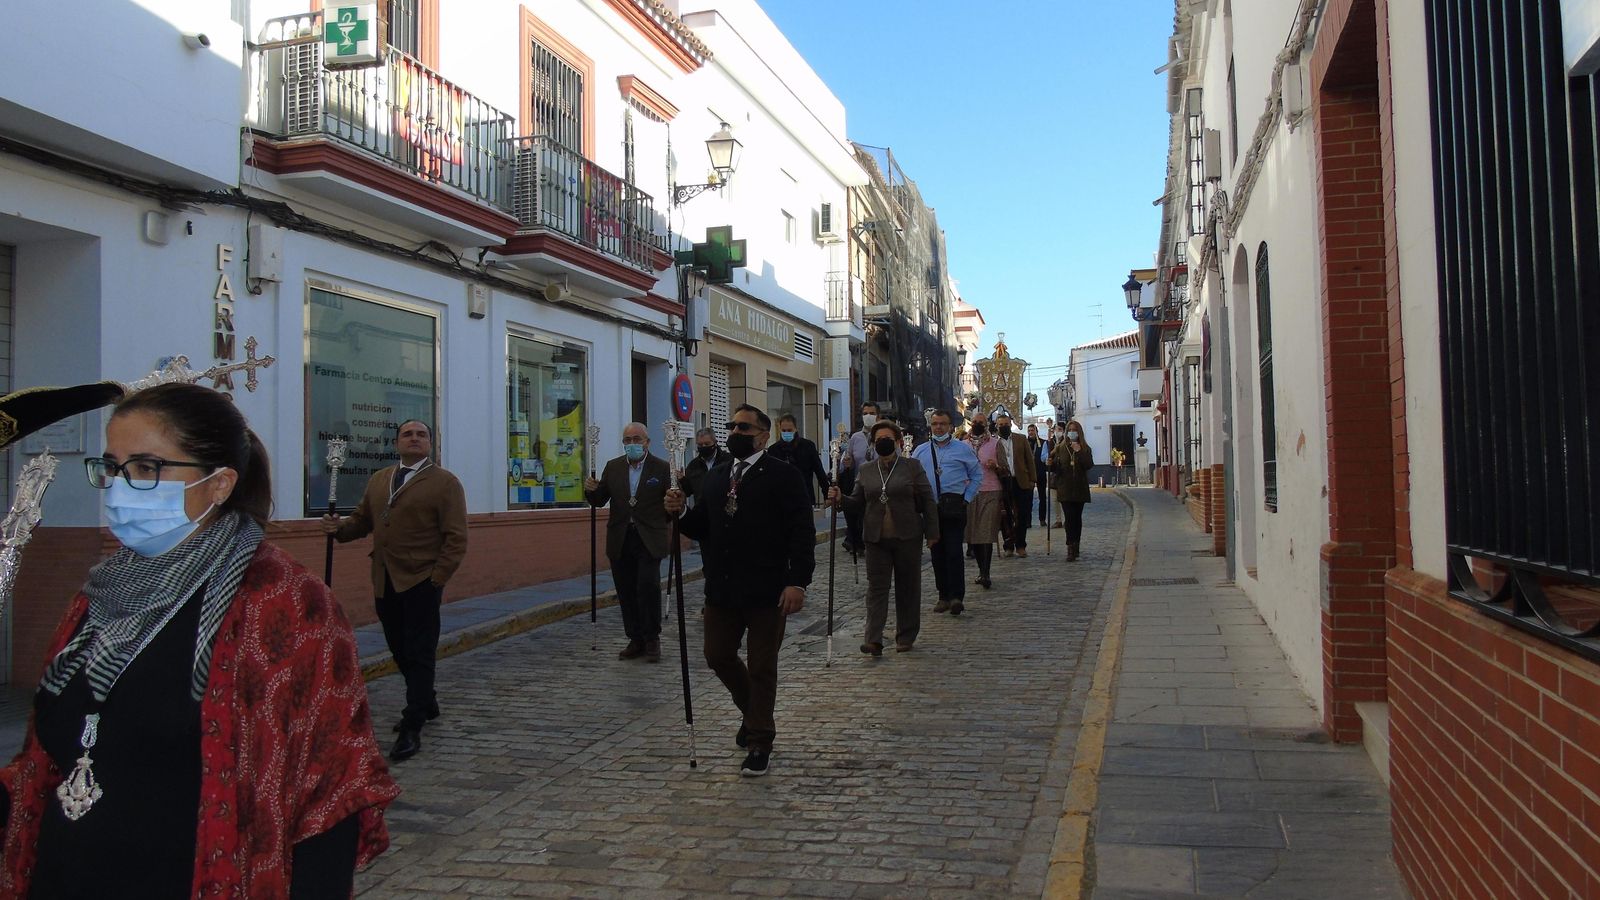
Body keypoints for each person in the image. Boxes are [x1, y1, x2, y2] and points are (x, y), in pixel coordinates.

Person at [0, 382, 398, 898]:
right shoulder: (101, 594)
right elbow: (44, 759)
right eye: (113, 468)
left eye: (147, 468)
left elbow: (327, 794)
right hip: (63, 874)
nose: (121, 488)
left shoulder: (284, 604)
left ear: (219, 484)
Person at [664, 404, 814, 777]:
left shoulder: (784, 476)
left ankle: (760, 740)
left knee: (763, 667)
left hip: (768, 589)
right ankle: (754, 714)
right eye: (731, 426)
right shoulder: (716, 477)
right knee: (717, 656)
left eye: (743, 428)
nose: (734, 432)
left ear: (764, 436)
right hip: (723, 588)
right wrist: (679, 512)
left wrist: (798, 581)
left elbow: (801, 531)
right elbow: (703, 525)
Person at [324, 419, 468, 762]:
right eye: (408, 434)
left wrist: (437, 578)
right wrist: (338, 529)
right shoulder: (380, 480)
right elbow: (363, 520)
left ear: (430, 443)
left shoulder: (445, 483)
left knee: (419, 651)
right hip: (385, 577)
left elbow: (456, 537)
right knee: (398, 646)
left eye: (421, 435)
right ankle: (426, 699)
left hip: (421, 579)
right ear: (397, 442)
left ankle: (412, 722)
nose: (414, 439)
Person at [829, 421, 938, 654]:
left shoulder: (912, 466)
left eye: (888, 438)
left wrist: (932, 532)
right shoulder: (866, 470)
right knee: (877, 589)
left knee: (907, 587)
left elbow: (928, 500)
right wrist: (840, 498)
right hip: (875, 538)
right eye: (879, 440)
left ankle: (905, 635)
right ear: (874, 444)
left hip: (907, 536)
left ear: (898, 442)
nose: (883, 443)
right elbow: (857, 502)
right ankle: (873, 638)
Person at [584, 422, 671, 663]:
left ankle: (652, 638)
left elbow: (670, 503)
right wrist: (590, 490)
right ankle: (635, 638)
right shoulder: (613, 468)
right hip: (621, 537)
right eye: (627, 440)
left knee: (647, 587)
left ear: (647, 442)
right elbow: (599, 499)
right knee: (626, 590)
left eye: (636, 439)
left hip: (649, 537)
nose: (632, 444)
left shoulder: (661, 468)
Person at [912, 409, 982, 615]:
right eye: (935, 424)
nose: (939, 427)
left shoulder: (962, 449)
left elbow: (977, 475)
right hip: (931, 509)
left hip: (954, 507)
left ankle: (956, 596)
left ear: (951, 427)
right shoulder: (920, 451)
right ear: (930, 426)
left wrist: (966, 498)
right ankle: (942, 595)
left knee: (953, 552)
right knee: (937, 553)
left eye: (943, 424)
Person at [965, 413, 1003, 588]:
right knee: (975, 534)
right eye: (975, 422)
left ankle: (986, 573)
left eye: (981, 422)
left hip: (991, 491)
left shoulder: (995, 443)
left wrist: (996, 467)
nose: (977, 424)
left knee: (986, 532)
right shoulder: (962, 445)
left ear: (987, 424)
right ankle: (981, 570)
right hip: (969, 492)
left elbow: (1006, 470)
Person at [837, 401, 881, 554]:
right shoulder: (855, 438)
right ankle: (858, 542)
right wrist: (846, 463)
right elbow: (846, 461)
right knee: (858, 516)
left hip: (880, 484)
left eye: (872, 413)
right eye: (865, 413)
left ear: (878, 416)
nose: (868, 416)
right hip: (860, 484)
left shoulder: (883, 435)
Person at [1049, 419, 1095, 561]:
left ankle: (1076, 545)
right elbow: (1055, 468)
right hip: (1065, 488)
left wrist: (1079, 451)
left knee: (1077, 518)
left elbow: (1088, 465)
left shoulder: (1085, 448)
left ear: (1079, 432)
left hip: (1079, 488)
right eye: (1070, 430)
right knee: (1069, 518)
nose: (1072, 432)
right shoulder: (1060, 448)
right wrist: (1050, 464)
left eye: (1075, 430)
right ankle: (1070, 546)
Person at [995, 413, 1037, 558]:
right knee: (1005, 516)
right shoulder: (994, 442)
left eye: (1006, 424)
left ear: (1010, 424)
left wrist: (1033, 480)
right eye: (1001, 425)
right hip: (1003, 482)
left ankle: (1021, 545)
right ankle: (1008, 545)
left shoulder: (1021, 439)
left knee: (1023, 514)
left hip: (1021, 481)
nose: (1003, 427)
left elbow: (1029, 460)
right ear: (996, 425)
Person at [766, 413, 830, 505]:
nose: (786, 433)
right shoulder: (774, 450)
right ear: (780, 429)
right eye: (784, 430)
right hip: (781, 498)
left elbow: (819, 471)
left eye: (789, 430)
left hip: (804, 495)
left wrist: (827, 495)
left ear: (795, 429)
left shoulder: (807, 446)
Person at [682, 427, 730, 503]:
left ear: (715, 442)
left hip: (724, 508)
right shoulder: (693, 465)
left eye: (707, 444)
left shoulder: (728, 460)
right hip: (702, 511)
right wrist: (681, 480)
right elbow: (688, 491)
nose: (704, 447)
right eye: (700, 445)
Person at [1028, 423, 1052, 528]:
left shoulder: (1043, 443)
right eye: (1029, 431)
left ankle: (1042, 519)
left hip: (1040, 472)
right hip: (1028, 474)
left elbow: (1044, 456)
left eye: (1032, 430)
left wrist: (1047, 459)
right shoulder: (1025, 442)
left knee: (1042, 497)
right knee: (1028, 498)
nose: (1030, 432)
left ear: (1036, 431)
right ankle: (1027, 521)